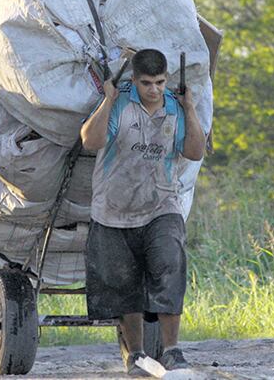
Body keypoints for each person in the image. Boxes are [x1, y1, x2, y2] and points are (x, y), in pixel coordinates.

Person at [80, 48, 206, 375]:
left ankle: (173, 350)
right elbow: (90, 141)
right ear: (134, 80)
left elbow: (194, 151)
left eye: (160, 82)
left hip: (161, 205)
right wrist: (107, 100)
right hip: (113, 210)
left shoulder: (175, 108)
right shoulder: (120, 102)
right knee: (124, 285)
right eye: (147, 83)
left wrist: (190, 107)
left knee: (170, 264)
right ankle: (135, 355)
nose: (154, 90)